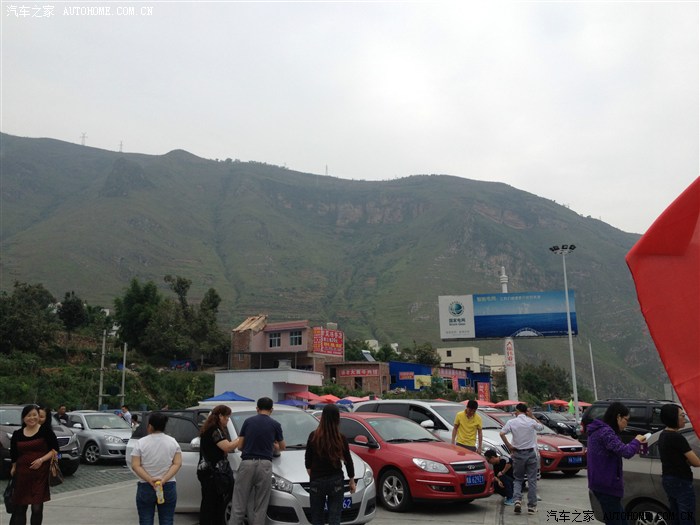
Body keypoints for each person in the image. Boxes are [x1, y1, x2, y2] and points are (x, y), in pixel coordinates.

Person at [587, 401, 646, 525]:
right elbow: (626, 452)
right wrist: (636, 440)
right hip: (606, 486)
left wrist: (637, 444)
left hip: (601, 484)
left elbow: (620, 449)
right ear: (618, 417)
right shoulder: (605, 432)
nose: (627, 424)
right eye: (626, 420)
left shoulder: (599, 431)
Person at [231, 397, 285, 525]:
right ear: (271, 410)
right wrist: (273, 446)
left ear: (257, 409)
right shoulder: (275, 424)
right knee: (260, 506)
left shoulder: (248, 422)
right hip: (265, 464)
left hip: (247, 463)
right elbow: (282, 447)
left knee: (239, 503)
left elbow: (240, 445)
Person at [305, 404, 356, 525]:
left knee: (317, 518)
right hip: (336, 481)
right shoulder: (340, 438)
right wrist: (351, 480)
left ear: (322, 418)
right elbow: (348, 461)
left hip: (317, 481)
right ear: (337, 419)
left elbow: (308, 461)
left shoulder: (313, 436)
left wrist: (314, 475)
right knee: (335, 518)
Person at [9, 404, 60, 525]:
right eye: (28, 415)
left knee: (36, 508)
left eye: (34, 415)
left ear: (38, 416)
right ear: (23, 418)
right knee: (20, 508)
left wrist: (41, 460)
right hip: (22, 475)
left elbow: (55, 450)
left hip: (39, 475)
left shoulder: (45, 431)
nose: (32, 418)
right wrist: (14, 467)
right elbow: (14, 454)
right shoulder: (17, 434)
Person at [130, 412, 182, 525]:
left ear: (150, 426)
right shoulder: (173, 442)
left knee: (146, 520)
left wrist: (150, 479)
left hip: (146, 486)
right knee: (167, 520)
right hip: (168, 485)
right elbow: (177, 463)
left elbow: (135, 465)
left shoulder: (141, 443)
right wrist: (163, 480)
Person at [198, 405, 240, 525]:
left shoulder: (208, 429)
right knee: (213, 503)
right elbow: (227, 447)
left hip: (206, 471)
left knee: (209, 502)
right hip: (213, 473)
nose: (227, 420)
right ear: (220, 416)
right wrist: (241, 439)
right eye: (227, 417)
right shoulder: (215, 430)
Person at [658, 404, 700, 525]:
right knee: (687, 517)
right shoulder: (677, 437)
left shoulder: (663, 435)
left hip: (668, 479)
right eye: (682, 415)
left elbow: (674, 458)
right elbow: (696, 462)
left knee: (676, 516)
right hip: (681, 481)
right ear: (673, 418)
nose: (684, 418)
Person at [499, 403, 543, 514]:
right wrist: (532, 416)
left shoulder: (512, 422)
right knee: (532, 480)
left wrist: (509, 446)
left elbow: (502, 433)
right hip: (530, 453)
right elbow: (541, 427)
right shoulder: (531, 422)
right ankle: (532, 506)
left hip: (517, 454)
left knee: (518, 479)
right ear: (526, 411)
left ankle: (517, 500)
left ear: (518, 411)